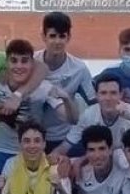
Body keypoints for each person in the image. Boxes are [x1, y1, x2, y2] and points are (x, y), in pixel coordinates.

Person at [0, 39, 73, 180]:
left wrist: (67, 100)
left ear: (32, 63)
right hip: (0, 148)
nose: (19, 66)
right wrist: (3, 116)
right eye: (14, 61)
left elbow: (68, 117)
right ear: (6, 63)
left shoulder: (43, 87)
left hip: (32, 150)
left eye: (24, 61)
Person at [51, 74, 130, 158]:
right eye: (103, 93)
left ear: (121, 94)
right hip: (101, 162)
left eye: (113, 93)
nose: (108, 98)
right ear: (97, 96)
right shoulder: (89, 114)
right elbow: (66, 145)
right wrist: (51, 159)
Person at [36, 12, 95, 153]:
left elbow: (95, 104)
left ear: (68, 37)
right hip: (35, 139)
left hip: (66, 137)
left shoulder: (79, 68)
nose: (57, 41)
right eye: (52, 36)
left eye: (62, 36)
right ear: (43, 36)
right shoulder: (31, 62)